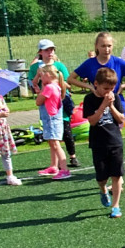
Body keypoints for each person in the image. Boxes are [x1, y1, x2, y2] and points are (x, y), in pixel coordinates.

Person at [83, 67, 125, 219]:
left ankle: (116, 206)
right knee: (101, 178)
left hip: (115, 142)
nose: (109, 91)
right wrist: (102, 106)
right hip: (98, 143)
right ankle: (103, 190)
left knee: (116, 175)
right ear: (96, 84)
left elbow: (121, 119)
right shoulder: (89, 99)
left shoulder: (115, 97)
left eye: (112, 88)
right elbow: (92, 121)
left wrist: (111, 105)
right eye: (105, 88)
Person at [68, 32, 125, 115]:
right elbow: (71, 79)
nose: (106, 49)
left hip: (116, 104)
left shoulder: (118, 62)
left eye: (109, 46)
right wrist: (89, 87)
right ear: (96, 46)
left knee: (116, 127)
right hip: (97, 105)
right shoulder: (89, 64)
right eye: (103, 46)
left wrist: (123, 86)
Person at [29, 39, 79, 167]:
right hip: (47, 103)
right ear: (40, 52)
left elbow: (65, 81)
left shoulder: (59, 65)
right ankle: (54, 164)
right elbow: (32, 83)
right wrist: (37, 80)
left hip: (58, 101)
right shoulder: (35, 67)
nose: (50, 52)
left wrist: (63, 90)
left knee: (65, 130)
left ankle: (71, 157)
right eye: (46, 50)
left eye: (51, 49)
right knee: (52, 137)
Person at [34, 65, 71, 180]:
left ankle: (64, 169)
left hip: (51, 119)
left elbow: (38, 102)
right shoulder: (56, 86)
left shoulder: (49, 87)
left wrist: (39, 92)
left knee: (55, 144)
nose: (40, 79)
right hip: (54, 118)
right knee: (52, 143)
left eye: (41, 76)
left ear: (48, 75)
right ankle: (54, 166)